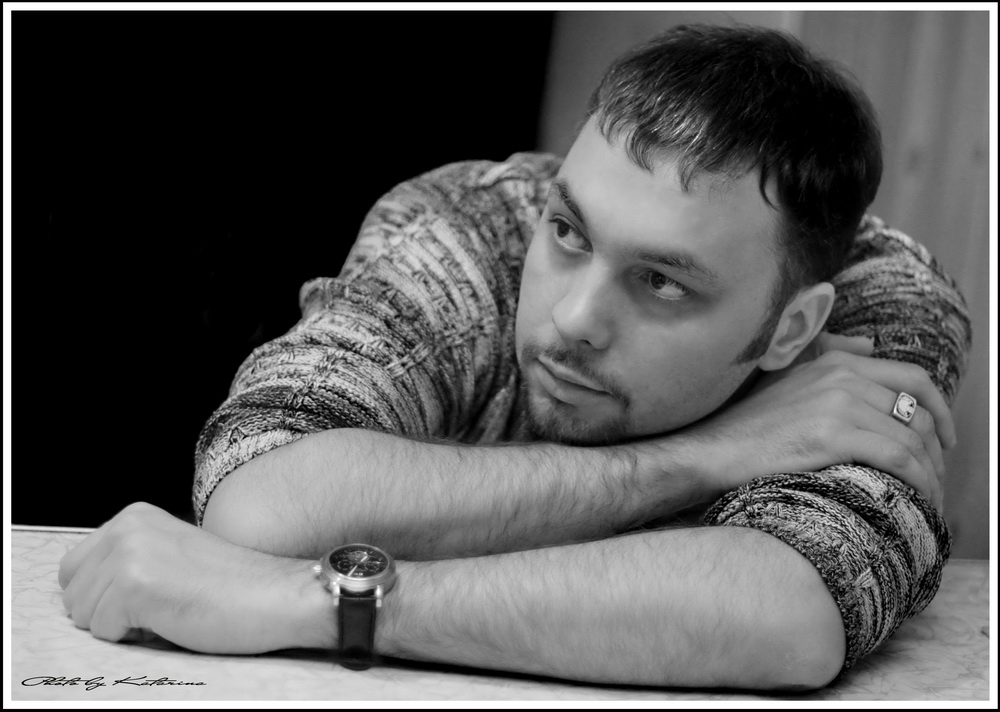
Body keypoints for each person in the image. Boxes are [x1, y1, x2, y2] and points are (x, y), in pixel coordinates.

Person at [58, 24, 970, 690]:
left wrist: (320, 605)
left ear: (792, 330)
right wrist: (708, 455)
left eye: (661, 283)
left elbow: (787, 614)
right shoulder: (476, 222)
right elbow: (260, 507)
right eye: (570, 232)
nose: (573, 318)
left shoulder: (880, 311)